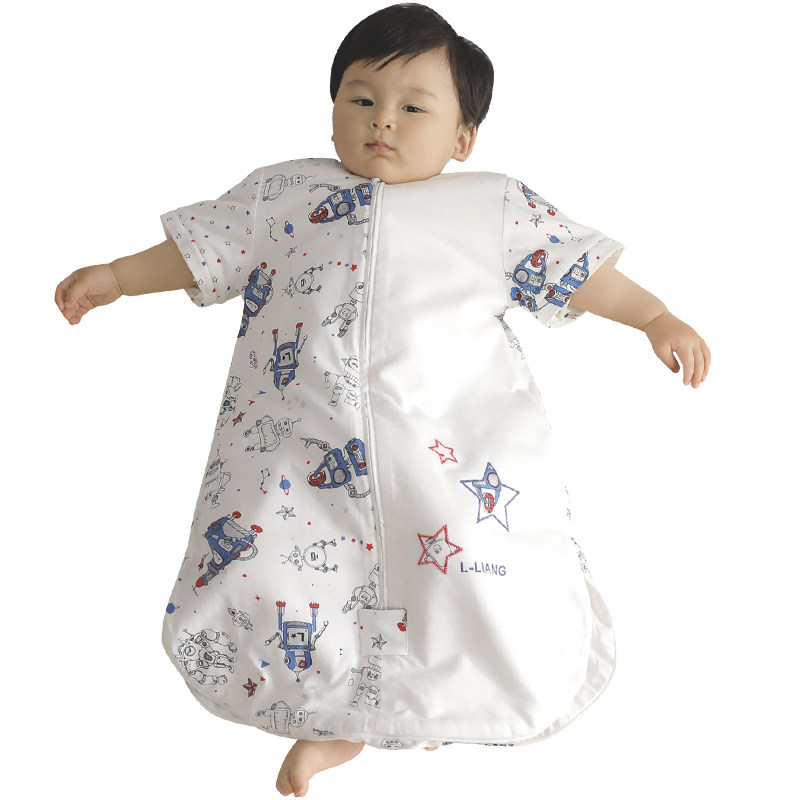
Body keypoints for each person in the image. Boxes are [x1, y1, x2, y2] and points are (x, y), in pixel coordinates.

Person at [54, 4, 709, 797]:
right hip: (296, 446)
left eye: (413, 107)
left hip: (444, 448)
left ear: (463, 138)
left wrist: (654, 317)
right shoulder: (283, 195)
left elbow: (581, 271)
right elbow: (199, 249)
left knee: (460, 576)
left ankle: (429, 709)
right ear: (332, 112)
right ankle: (333, 724)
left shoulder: (490, 208)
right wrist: (119, 278)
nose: (382, 121)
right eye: (361, 99)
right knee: (296, 580)